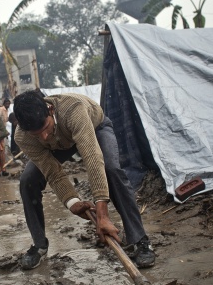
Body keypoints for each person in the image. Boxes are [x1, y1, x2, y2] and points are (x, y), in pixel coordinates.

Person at [13, 90, 156, 270]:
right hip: (61, 143)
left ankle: (139, 239)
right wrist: (72, 202)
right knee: (28, 180)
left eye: (44, 128)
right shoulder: (22, 136)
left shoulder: (73, 109)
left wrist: (102, 215)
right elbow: (52, 171)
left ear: (50, 110)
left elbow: (92, 156)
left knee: (111, 169)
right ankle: (39, 245)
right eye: (36, 134)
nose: (43, 137)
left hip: (95, 127)